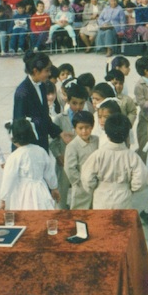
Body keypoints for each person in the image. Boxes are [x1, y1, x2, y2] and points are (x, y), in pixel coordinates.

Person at [78, 114, 146, 209]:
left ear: (106, 133)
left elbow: (87, 178)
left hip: (101, 198)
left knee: (103, 223)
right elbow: (140, 181)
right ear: (127, 134)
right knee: (121, 223)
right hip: (123, 198)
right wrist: (130, 188)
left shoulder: (98, 155)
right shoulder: (133, 157)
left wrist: (95, 188)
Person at [13, 51, 71, 153]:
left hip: (42, 144)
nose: (49, 74)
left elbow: (44, 117)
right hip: (29, 147)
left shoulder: (42, 86)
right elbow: (19, 124)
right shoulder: (22, 92)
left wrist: (59, 132)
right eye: (47, 70)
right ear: (35, 71)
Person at [0, 118, 59, 210]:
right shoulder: (41, 151)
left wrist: (3, 198)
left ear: (13, 138)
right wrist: (54, 187)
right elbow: (49, 171)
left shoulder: (15, 156)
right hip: (40, 189)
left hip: (23, 191)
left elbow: (8, 178)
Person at [49, 80, 88, 209]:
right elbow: (52, 141)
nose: (78, 107)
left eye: (81, 103)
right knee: (61, 194)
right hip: (63, 162)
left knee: (82, 195)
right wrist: (58, 155)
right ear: (68, 102)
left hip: (82, 164)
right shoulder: (60, 119)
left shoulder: (88, 119)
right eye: (74, 103)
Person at [64, 111, 99, 209]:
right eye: (80, 128)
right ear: (75, 128)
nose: (84, 131)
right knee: (80, 214)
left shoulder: (97, 140)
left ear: (92, 127)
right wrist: (79, 182)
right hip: (81, 186)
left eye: (87, 127)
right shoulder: (72, 146)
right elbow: (69, 168)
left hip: (96, 184)